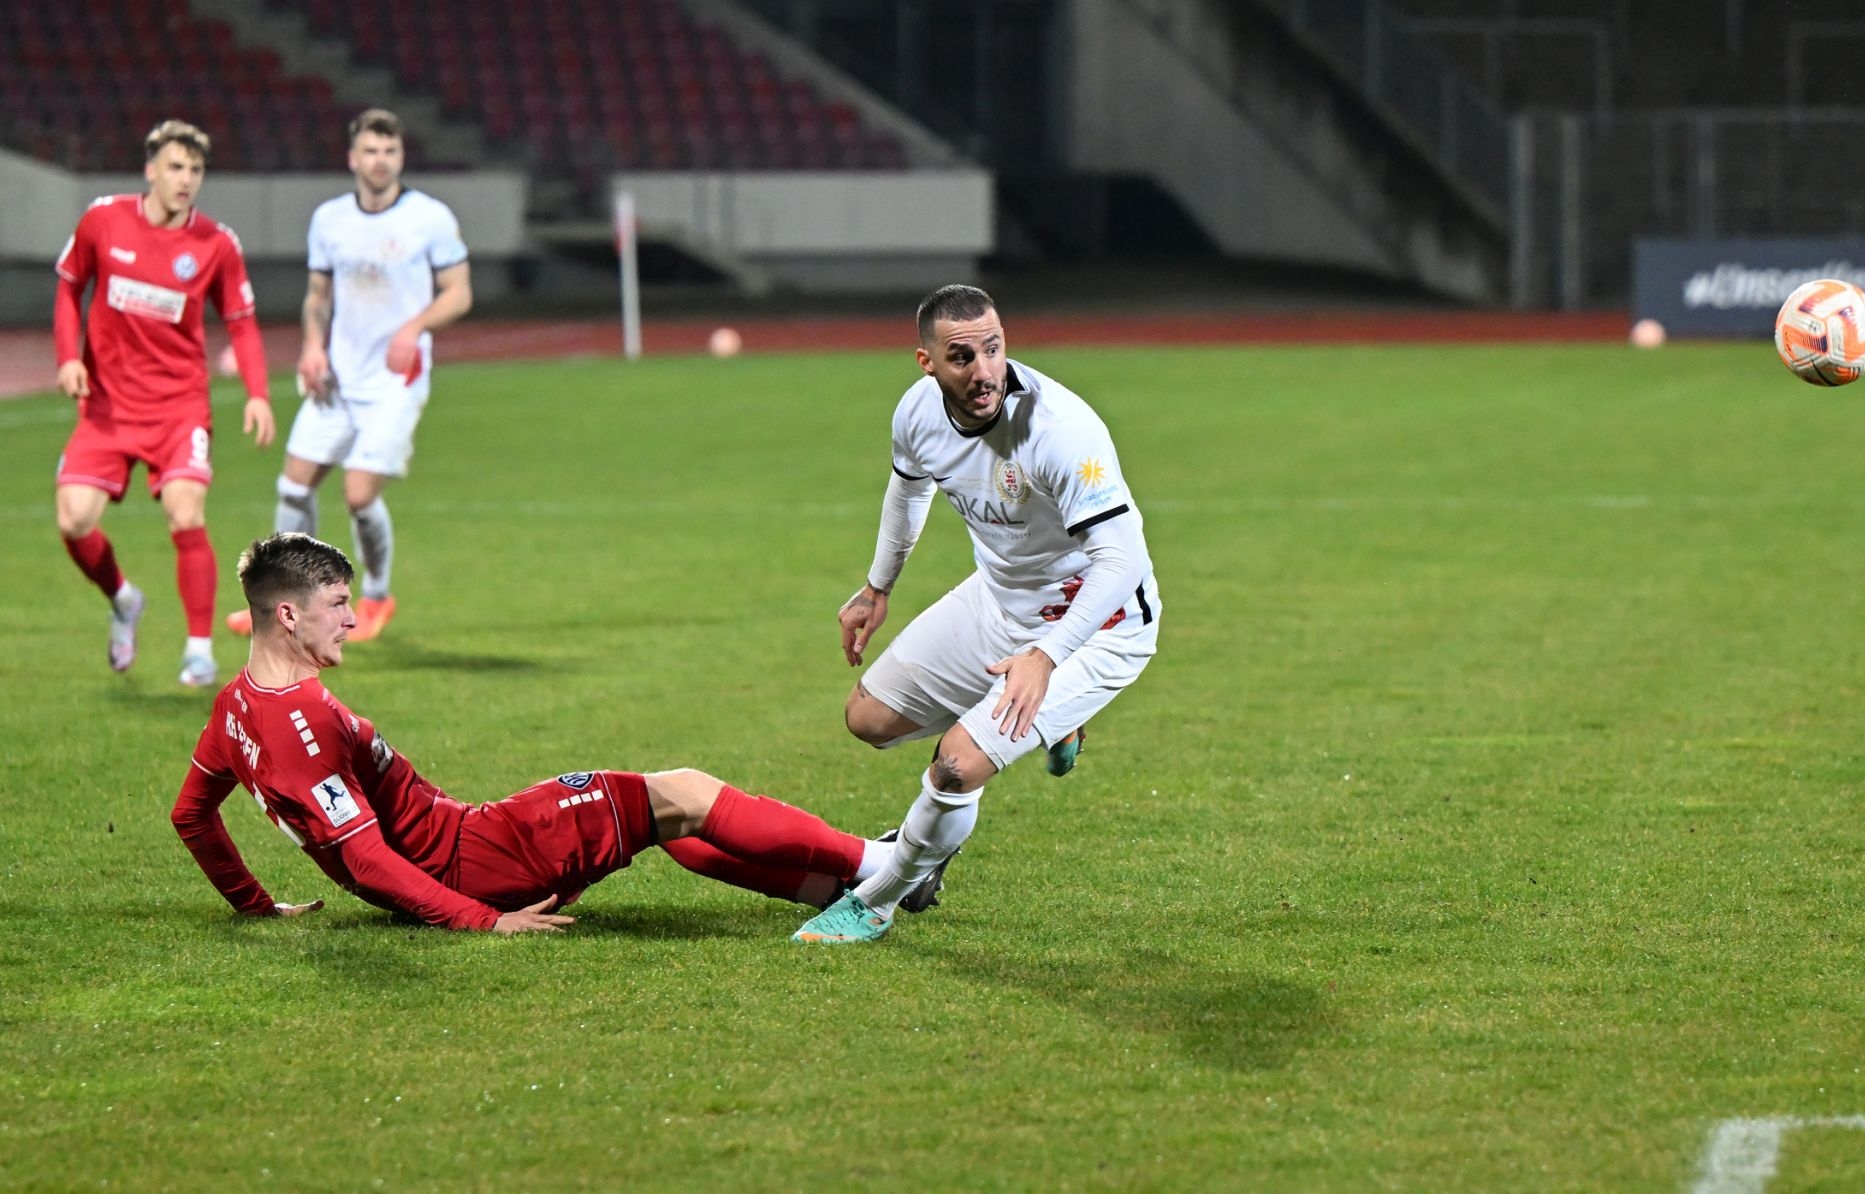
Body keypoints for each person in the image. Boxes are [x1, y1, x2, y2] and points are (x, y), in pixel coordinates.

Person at [175, 533, 897, 933]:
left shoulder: (237, 707)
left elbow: (192, 815)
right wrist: (485, 922)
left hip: (469, 842)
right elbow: (366, 860)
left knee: (663, 822)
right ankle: (885, 866)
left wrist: (253, 904)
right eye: (337, 604)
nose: (353, 620)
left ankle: (826, 889)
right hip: (476, 862)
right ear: (289, 616)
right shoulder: (302, 727)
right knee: (681, 791)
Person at [793, 285, 1162, 944]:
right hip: (997, 601)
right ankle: (1058, 726)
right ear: (926, 362)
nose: (984, 369)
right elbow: (909, 489)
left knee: (957, 766)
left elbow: (1123, 561)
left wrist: (1045, 659)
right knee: (867, 720)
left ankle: (878, 899)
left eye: (993, 348)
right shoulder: (917, 413)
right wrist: (877, 588)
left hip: (1095, 627)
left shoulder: (1060, 431)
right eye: (962, 356)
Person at [225, 109, 471, 644]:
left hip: (394, 380)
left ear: (400, 157)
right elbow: (318, 297)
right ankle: (283, 605)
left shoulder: (429, 217)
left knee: (358, 494)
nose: (380, 161)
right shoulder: (330, 219)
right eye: (371, 151)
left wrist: (415, 326)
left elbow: (459, 292)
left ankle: (378, 595)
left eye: (390, 151)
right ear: (352, 158)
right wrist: (313, 349)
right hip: (339, 377)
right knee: (293, 485)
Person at [54, 119, 276, 687]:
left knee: (185, 511)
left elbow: (242, 324)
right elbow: (69, 284)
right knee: (74, 520)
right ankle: (124, 599)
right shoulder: (103, 219)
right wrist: (67, 357)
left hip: (179, 409)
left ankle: (198, 651)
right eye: (175, 167)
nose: (186, 179)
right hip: (106, 407)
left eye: (196, 170)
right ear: (150, 170)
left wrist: (258, 394)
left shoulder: (216, 244)